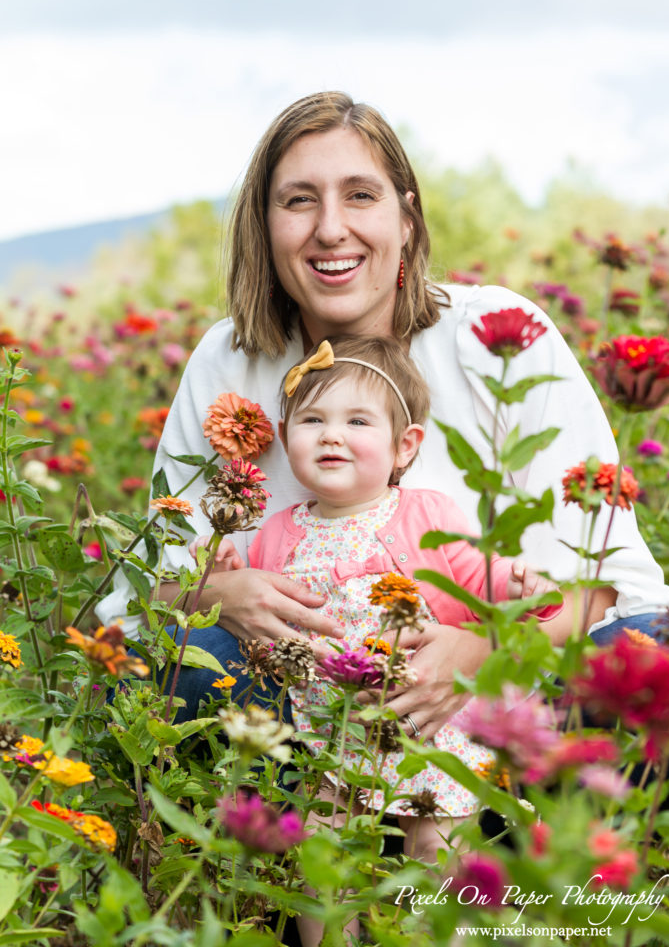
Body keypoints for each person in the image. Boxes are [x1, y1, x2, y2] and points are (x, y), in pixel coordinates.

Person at [96, 90, 669, 735]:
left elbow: (599, 576)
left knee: (656, 657)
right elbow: (154, 584)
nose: (330, 228)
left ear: (407, 217)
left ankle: (509, 813)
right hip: (305, 693)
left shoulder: (496, 335)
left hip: (509, 682)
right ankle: (314, 818)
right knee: (182, 665)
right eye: (299, 199)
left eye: (361, 195)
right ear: (263, 223)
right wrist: (216, 593)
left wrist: (480, 652)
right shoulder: (230, 359)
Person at [193, 334, 563, 946]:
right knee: (321, 849)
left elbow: (478, 585)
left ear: (404, 446)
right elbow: (265, 622)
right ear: (286, 440)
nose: (331, 435)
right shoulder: (280, 531)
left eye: (356, 421)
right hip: (331, 729)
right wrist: (227, 579)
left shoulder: (423, 514)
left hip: (425, 724)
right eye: (313, 421)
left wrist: (527, 588)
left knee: (433, 851)